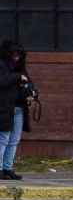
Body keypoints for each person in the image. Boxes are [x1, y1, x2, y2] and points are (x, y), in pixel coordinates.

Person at [0, 40, 32, 180]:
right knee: (3, 138)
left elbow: (29, 82)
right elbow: (2, 81)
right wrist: (18, 77)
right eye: (14, 53)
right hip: (5, 107)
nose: (16, 57)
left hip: (19, 107)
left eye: (18, 54)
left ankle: (8, 167)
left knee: (14, 139)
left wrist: (32, 91)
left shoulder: (20, 66)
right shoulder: (1, 65)